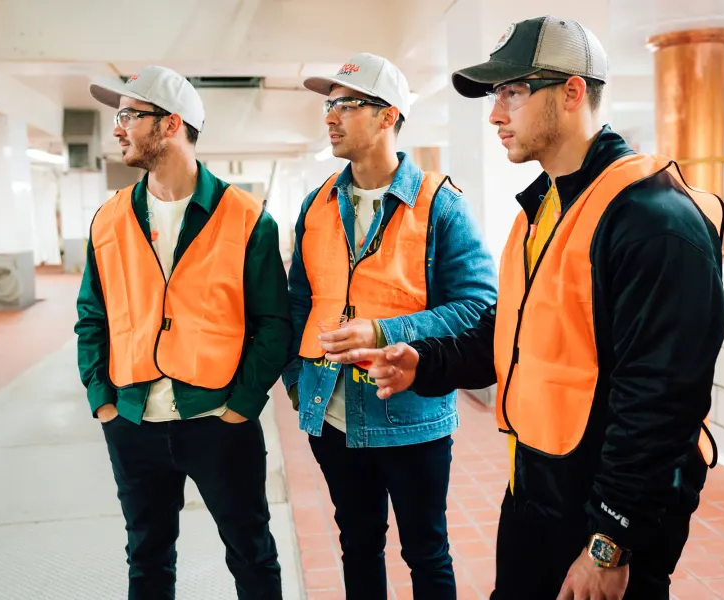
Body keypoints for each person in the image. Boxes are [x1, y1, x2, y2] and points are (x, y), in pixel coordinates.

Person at [349, 16, 724, 600]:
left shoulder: (654, 222)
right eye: (496, 96)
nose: (496, 114)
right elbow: (516, 337)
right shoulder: (543, 208)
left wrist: (610, 540)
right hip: (537, 484)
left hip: (605, 512)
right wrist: (425, 363)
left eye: (513, 93)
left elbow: (660, 401)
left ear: (572, 92)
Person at [283, 53, 497, 599]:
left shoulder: (439, 205)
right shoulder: (317, 205)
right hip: (330, 414)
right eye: (328, 105)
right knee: (357, 544)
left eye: (344, 105)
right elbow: (297, 302)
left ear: (387, 116)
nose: (329, 117)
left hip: (411, 418)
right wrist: (295, 381)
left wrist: (385, 331)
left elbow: (478, 306)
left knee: (426, 551)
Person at [75, 65, 291, 600]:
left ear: (170, 124)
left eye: (129, 115)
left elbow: (273, 323)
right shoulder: (108, 219)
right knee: (147, 557)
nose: (118, 127)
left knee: (252, 552)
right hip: (133, 422)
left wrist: (240, 405)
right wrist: (103, 400)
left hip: (218, 422)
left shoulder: (247, 218)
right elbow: (91, 316)